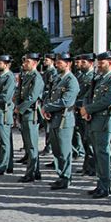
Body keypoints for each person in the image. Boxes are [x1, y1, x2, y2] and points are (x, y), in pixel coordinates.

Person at [80, 51, 111, 198]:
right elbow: (88, 95)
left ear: (110, 63)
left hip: (104, 120)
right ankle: (100, 184)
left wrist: (88, 108)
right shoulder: (99, 78)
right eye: (98, 62)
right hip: (93, 119)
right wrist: (85, 108)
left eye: (102, 62)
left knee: (103, 153)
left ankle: (105, 186)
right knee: (97, 154)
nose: (99, 65)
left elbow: (109, 100)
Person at [42, 52, 80, 189]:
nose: (57, 64)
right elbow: (50, 95)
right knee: (57, 150)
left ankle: (66, 177)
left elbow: (66, 101)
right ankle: (61, 175)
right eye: (57, 62)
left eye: (60, 62)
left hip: (65, 119)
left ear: (68, 64)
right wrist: (45, 108)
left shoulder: (71, 80)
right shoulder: (58, 79)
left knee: (64, 151)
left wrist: (47, 107)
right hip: (54, 118)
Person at [15, 53, 45, 183]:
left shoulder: (36, 77)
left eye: (27, 62)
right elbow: (20, 93)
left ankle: (31, 172)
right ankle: (35, 170)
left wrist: (20, 108)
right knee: (28, 144)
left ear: (35, 63)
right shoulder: (26, 76)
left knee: (32, 145)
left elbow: (32, 97)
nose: (24, 64)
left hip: (31, 113)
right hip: (25, 113)